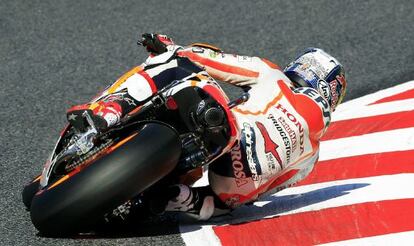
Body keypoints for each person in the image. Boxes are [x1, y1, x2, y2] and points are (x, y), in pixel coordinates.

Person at [67, 33, 347, 220]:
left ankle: (107, 112)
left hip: (228, 133)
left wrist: (172, 47)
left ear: (303, 68)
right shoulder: (313, 157)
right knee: (223, 195)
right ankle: (178, 198)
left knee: (174, 64)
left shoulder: (273, 75)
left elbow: (208, 61)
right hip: (232, 186)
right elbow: (262, 195)